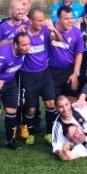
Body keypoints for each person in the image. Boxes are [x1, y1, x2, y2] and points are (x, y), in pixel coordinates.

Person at [0, 32, 31, 153]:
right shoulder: (3, 54)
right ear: (16, 45)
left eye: (28, 44)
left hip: (9, 82)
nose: (27, 47)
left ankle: (10, 141)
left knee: (12, 110)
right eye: (24, 45)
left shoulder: (23, 52)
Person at [19, 8, 61, 145]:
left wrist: (53, 29)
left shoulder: (45, 30)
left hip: (44, 73)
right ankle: (30, 133)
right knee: (31, 108)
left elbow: (59, 39)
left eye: (43, 19)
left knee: (50, 103)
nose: (42, 22)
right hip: (28, 75)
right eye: (39, 20)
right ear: (30, 21)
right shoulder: (23, 34)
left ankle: (49, 133)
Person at [45, 5, 84, 141]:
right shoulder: (50, 30)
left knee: (71, 100)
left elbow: (79, 54)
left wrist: (75, 74)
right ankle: (51, 132)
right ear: (58, 19)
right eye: (66, 18)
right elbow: (51, 37)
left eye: (71, 18)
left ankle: (71, 128)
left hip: (69, 71)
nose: (69, 21)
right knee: (52, 102)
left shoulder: (76, 32)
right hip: (51, 71)